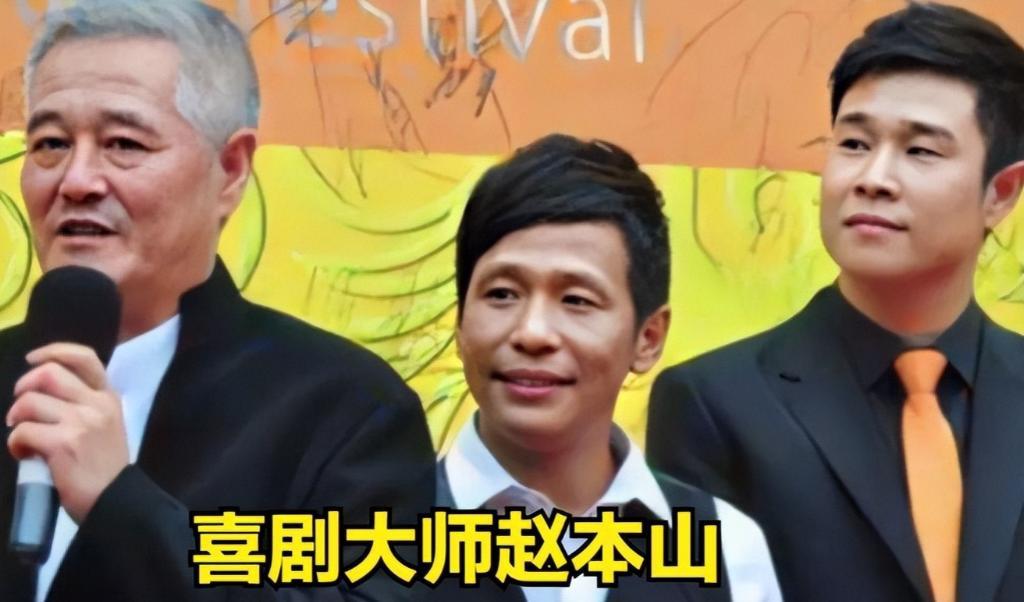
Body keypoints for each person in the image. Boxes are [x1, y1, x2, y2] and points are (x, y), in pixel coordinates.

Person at [0, 1, 435, 600]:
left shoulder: (347, 410)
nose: (76, 181)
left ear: (229, 171)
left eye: (123, 143)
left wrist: (121, 506)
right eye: (50, 144)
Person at [646, 3, 1024, 601]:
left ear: (1000, 193)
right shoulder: (713, 404)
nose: (872, 178)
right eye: (854, 143)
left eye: (921, 151)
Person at [433, 133, 781, 601]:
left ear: (648, 338)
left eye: (577, 300)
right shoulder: (367, 538)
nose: (532, 333)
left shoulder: (727, 551)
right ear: (460, 323)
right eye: (502, 294)